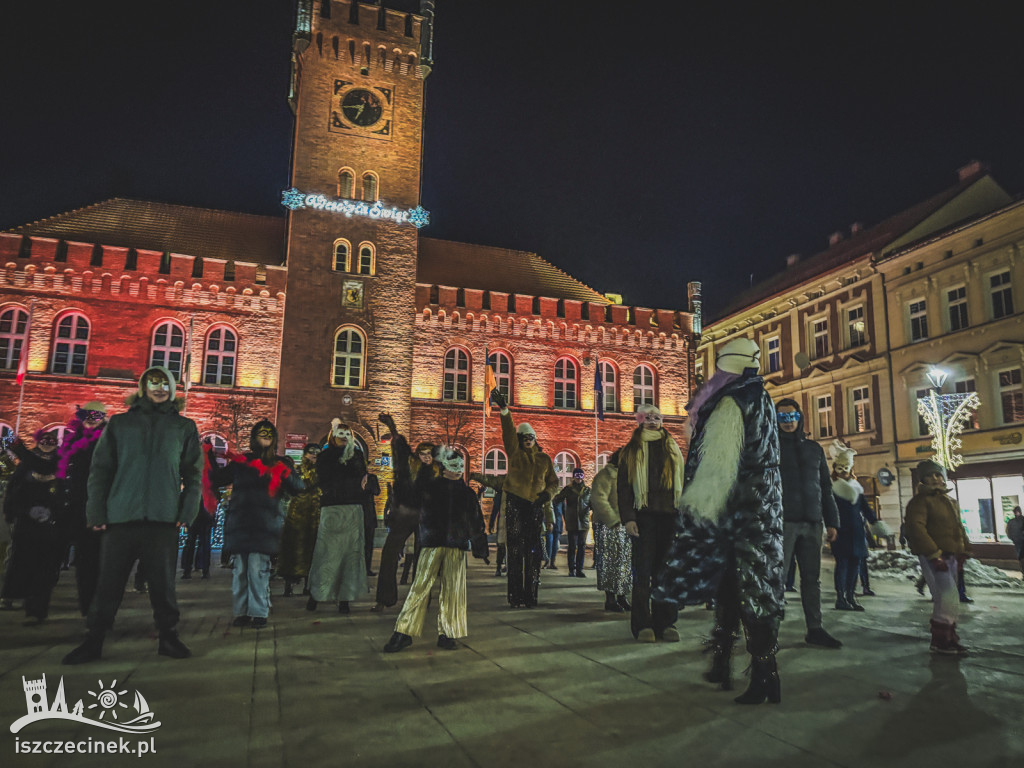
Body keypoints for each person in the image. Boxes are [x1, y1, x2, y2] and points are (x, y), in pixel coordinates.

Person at [655, 337, 785, 704]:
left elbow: (717, 470)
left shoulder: (732, 401)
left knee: (752, 592)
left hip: (739, 516)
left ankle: (764, 677)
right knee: (733, 586)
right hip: (758, 510)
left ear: (728, 367)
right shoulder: (759, 397)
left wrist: (696, 516)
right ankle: (723, 661)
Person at [62, 366, 203, 664]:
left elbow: (193, 475)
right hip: (121, 517)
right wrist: (96, 511)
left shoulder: (184, 428)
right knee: (108, 583)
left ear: (173, 390)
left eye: (165, 383)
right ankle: (94, 638)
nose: (159, 388)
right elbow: (100, 471)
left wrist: (187, 511)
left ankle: (168, 636)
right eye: (153, 382)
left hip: (163, 519)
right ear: (142, 387)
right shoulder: (119, 425)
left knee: (163, 584)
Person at [383, 447, 489, 653]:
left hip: (456, 546)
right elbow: (409, 498)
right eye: (453, 465)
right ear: (442, 467)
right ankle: (403, 632)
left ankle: (448, 633)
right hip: (431, 544)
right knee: (419, 588)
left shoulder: (467, 494)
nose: (458, 470)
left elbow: (475, 523)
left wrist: (480, 546)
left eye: (460, 465)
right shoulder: (429, 488)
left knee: (453, 591)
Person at [213, 420, 304, 628]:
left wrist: (288, 471)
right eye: (261, 433)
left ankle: (259, 611)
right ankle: (242, 611)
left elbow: (298, 487)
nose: (265, 437)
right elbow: (218, 478)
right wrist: (207, 458)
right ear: (254, 437)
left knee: (257, 570)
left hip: (264, 526)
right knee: (240, 571)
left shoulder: (279, 463)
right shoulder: (242, 461)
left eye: (269, 434)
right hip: (241, 524)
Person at [776, 397, 843, 649]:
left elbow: (825, 487)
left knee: (811, 579)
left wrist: (832, 521)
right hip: (784, 522)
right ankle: (768, 628)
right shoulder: (771, 447)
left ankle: (815, 628)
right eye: (782, 417)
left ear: (799, 417)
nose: (788, 422)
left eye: (791, 416)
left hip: (813, 522)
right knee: (777, 578)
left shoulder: (814, 449)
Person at [618, 404, 685, 642]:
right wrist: (628, 519)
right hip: (644, 517)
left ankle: (666, 622)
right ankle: (643, 624)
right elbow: (624, 489)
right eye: (647, 417)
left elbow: (683, 485)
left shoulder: (673, 448)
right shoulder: (631, 450)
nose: (652, 421)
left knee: (666, 573)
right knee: (642, 573)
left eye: (656, 417)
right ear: (639, 421)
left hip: (670, 516)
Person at [490, 388, 558, 608]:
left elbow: (554, 482)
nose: (527, 440)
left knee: (533, 553)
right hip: (516, 505)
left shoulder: (544, 459)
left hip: (535, 506)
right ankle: (515, 596)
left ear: (535, 439)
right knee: (516, 552)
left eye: (530, 437)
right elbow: (508, 433)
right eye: (524, 438)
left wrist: (547, 496)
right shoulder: (515, 454)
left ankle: (531, 595)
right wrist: (504, 410)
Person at [904, 459, 971, 655]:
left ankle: (948, 636)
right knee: (946, 597)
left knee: (951, 598)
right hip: (934, 556)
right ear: (922, 479)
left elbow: (958, 528)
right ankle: (941, 639)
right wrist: (933, 554)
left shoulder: (949, 502)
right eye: (930, 475)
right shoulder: (920, 502)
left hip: (951, 556)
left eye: (938, 474)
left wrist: (964, 549)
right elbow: (916, 528)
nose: (935, 478)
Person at [2, 428, 68, 625]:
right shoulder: (28, 464)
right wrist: (14, 512)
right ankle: (11, 595)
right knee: (20, 560)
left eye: (51, 440)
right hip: (25, 519)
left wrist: (56, 513)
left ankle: (37, 606)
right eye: (44, 439)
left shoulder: (59, 463)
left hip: (50, 522)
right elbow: (14, 488)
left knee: (44, 565)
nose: (47, 443)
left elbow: (62, 490)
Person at [373, 414, 437, 612]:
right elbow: (401, 449)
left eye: (429, 453)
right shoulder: (410, 467)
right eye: (423, 453)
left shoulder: (436, 472)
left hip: (425, 518)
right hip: (405, 514)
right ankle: (384, 599)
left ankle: (422, 599)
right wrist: (392, 428)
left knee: (422, 558)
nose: (426, 457)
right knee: (390, 554)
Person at [306, 419, 367, 614]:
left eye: (348, 435)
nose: (344, 438)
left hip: (352, 507)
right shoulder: (325, 456)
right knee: (326, 554)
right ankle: (316, 594)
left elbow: (361, 476)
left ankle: (345, 598)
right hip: (332, 507)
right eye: (340, 435)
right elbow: (325, 477)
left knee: (350, 555)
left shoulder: (356, 454)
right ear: (333, 436)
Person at [55, 402, 108, 613]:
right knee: (75, 562)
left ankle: (93, 609)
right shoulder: (72, 438)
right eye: (86, 414)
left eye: (96, 415)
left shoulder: (106, 441)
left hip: (93, 510)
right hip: (71, 509)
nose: (91, 418)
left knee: (92, 562)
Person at [828, 441, 879, 611]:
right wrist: (829, 527)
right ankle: (841, 598)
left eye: (846, 468)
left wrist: (875, 522)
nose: (843, 472)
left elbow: (865, 507)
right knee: (842, 564)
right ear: (835, 468)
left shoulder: (857, 487)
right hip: (841, 531)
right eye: (840, 468)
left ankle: (851, 596)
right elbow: (827, 509)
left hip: (857, 532)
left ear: (851, 469)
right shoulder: (832, 488)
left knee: (855, 565)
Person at [278, 442, 322, 596]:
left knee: (312, 548)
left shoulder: (322, 471)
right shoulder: (297, 471)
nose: (314, 455)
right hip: (297, 514)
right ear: (305, 454)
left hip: (315, 514)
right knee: (293, 548)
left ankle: (308, 584)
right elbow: (294, 487)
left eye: (317, 452)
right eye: (311, 452)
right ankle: (289, 584)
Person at [590, 450, 632, 612]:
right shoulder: (605, 475)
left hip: (625, 526)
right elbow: (598, 498)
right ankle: (610, 599)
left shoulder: (629, 476)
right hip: (609, 527)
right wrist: (612, 519)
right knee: (609, 563)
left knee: (624, 564)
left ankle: (622, 596)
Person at [181, 436, 219, 581]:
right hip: (207, 506)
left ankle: (187, 570)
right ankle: (205, 570)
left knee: (191, 540)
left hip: (195, 505)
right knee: (205, 540)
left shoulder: (194, 462)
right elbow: (217, 480)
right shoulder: (212, 465)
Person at [554, 468, 591, 577]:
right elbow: (557, 499)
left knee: (582, 546)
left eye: (581, 476)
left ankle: (579, 569)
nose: (579, 478)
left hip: (583, 522)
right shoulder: (568, 489)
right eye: (577, 476)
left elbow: (592, 503)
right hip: (572, 521)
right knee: (572, 546)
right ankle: (571, 569)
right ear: (573, 477)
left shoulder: (587, 490)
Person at [470, 472, 507, 576]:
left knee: (502, 546)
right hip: (506, 523)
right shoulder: (506, 492)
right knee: (505, 546)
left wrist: (490, 524)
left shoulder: (500, 493)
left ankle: (499, 567)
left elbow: (495, 510)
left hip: (504, 523)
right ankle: (502, 567)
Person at [363, 471, 381, 576]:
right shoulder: (353, 477)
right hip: (361, 512)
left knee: (369, 543)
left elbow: (377, 491)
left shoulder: (371, 477)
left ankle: (367, 568)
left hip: (368, 513)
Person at [1006, 505, 1024, 577]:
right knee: (1021, 558)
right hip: (1019, 542)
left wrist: (1012, 538)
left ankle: (1023, 572)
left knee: (1020, 558)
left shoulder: (1011, 521)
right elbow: (1008, 531)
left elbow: (1008, 532)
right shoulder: (1013, 521)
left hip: (1017, 542)